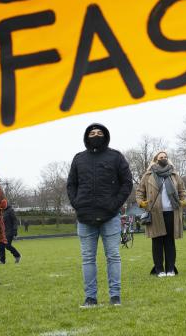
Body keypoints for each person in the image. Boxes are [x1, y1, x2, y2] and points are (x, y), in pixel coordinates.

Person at [67, 123, 133, 308]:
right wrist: (77, 204)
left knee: (113, 256)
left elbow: (127, 183)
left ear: (106, 136)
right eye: (92, 133)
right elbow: (71, 185)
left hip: (110, 216)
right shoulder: (79, 159)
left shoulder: (116, 157)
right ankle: (90, 298)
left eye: (99, 133)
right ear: (86, 137)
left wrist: (114, 204)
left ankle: (115, 297)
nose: (96, 135)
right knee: (88, 258)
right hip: (85, 217)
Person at [136, 150, 186, 277]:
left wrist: (183, 200)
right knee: (157, 242)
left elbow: (182, 190)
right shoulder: (148, 175)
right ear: (155, 159)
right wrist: (141, 202)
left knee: (170, 241)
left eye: (165, 157)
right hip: (154, 212)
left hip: (172, 211)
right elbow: (139, 191)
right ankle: (159, 269)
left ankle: (170, 269)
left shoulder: (174, 175)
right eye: (161, 157)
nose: (163, 158)